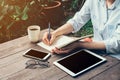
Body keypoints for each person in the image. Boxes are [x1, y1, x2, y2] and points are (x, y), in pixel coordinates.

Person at [42, 0, 120, 54]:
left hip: (115, 58)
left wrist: (80, 45)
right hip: (94, 51)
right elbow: (77, 20)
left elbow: (117, 44)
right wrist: (55, 33)